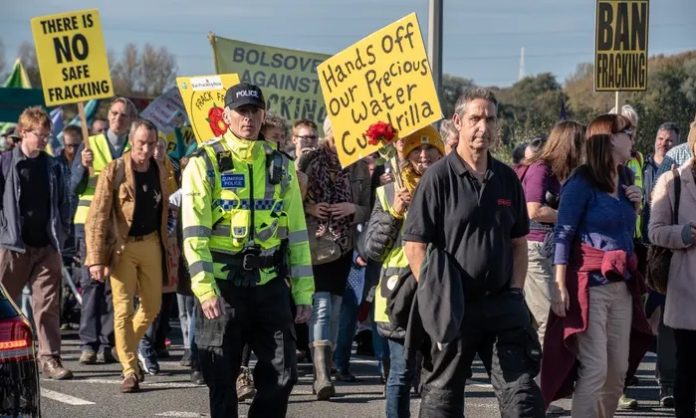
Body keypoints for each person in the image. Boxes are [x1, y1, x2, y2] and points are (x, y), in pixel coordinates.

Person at [402, 88, 544, 417]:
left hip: (501, 305)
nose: (483, 126)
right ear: (458, 122)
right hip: (454, 308)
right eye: (475, 118)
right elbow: (414, 247)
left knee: (523, 397)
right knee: (442, 399)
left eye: (490, 119)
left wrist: (514, 291)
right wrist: (437, 300)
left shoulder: (507, 178)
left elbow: (519, 243)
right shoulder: (437, 178)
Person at [181, 82, 314, 418]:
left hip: (269, 283)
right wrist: (204, 289)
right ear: (226, 115)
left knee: (283, 373)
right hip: (223, 287)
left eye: (255, 111)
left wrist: (303, 293)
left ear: (263, 114)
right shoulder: (205, 162)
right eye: (241, 111)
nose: (248, 118)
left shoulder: (281, 165)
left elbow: (297, 234)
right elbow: (193, 234)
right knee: (221, 378)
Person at [541, 114, 653, 417]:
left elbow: (625, 231)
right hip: (589, 288)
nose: (633, 138)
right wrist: (559, 285)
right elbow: (563, 233)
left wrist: (637, 206)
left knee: (617, 372)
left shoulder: (628, 179)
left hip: (623, 287)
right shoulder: (581, 181)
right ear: (608, 138)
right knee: (595, 369)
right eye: (627, 132)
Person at [85, 118, 170, 393]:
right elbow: (97, 214)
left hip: (152, 243)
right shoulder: (115, 169)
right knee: (123, 309)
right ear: (131, 142)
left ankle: (124, 347)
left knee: (153, 305)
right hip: (122, 246)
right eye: (141, 143)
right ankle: (130, 369)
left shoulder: (159, 168)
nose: (146, 149)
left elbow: (165, 209)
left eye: (151, 143)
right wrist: (96, 258)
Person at [365, 125, 444, 418]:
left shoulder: (451, 187)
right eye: (416, 149)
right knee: (400, 374)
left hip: (439, 293)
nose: (424, 155)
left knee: (436, 376)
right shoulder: (388, 192)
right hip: (399, 297)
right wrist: (395, 213)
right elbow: (371, 249)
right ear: (406, 155)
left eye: (431, 148)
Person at [298, 116, 372, 400]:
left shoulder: (359, 165)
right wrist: (311, 206)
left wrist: (351, 207)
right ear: (329, 133)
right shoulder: (308, 160)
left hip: (342, 245)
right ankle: (322, 375)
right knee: (322, 306)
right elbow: (292, 196)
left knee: (337, 308)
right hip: (312, 243)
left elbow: (369, 208)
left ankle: (325, 365)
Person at [0, 106, 73, 380]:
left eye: (47, 135)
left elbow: (66, 201)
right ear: (23, 132)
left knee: (47, 307)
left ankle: (50, 359)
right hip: (13, 247)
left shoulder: (53, 166)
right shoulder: (6, 163)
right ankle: (5, 360)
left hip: (46, 247)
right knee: (6, 306)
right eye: (39, 135)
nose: (44, 140)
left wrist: (61, 235)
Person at [71, 97, 137, 365]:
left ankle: (110, 343)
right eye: (114, 113)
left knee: (117, 287)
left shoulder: (135, 147)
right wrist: (82, 168)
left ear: (131, 120)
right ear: (107, 115)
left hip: (122, 227)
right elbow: (74, 187)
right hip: (90, 224)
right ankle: (89, 343)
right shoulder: (91, 144)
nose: (117, 118)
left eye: (123, 115)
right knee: (92, 285)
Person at [520, 121, 585, 348]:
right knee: (548, 319)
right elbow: (534, 210)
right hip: (536, 250)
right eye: (581, 143)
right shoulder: (541, 168)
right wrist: (568, 216)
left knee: (561, 317)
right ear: (570, 144)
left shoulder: (568, 173)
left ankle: (551, 376)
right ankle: (545, 379)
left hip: (556, 251)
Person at [648, 120, 696, 418]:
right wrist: (684, 234)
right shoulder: (672, 181)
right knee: (687, 370)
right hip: (686, 291)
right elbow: (654, 231)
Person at [642, 121, 678, 408]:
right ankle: (630, 374)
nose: (663, 143)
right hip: (644, 250)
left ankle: (668, 382)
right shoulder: (641, 167)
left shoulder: (678, 169)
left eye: (669, 140)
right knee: (646, 315)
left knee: (666, 318)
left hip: (671, 255)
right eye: (660, 138)